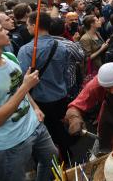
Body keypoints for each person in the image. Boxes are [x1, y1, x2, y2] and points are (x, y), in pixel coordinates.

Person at [0, 22, 58, 181]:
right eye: (1, 30)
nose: (7, 32)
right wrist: (26, 86)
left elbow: (18, 88)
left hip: (34, 124)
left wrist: (35, 107)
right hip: (10, 142)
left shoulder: (9, 56)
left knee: (52, 160)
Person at [17, 12, 73, 162]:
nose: (27, 27)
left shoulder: (25, 50)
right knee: (61, 132)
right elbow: (66, 74)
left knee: (45, 138)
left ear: (35, 26)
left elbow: (21, 81)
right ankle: (67, 160)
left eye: (28, 24)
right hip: (61, 97)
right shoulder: (62, 46)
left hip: (38, 102)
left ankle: (51, 166)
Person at [49, 17, 85, 100]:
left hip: (49, 84)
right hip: (68, 85)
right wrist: (76, 41)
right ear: (63, 29)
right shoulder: (70, 44)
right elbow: (81, 56)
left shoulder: (40, 44)